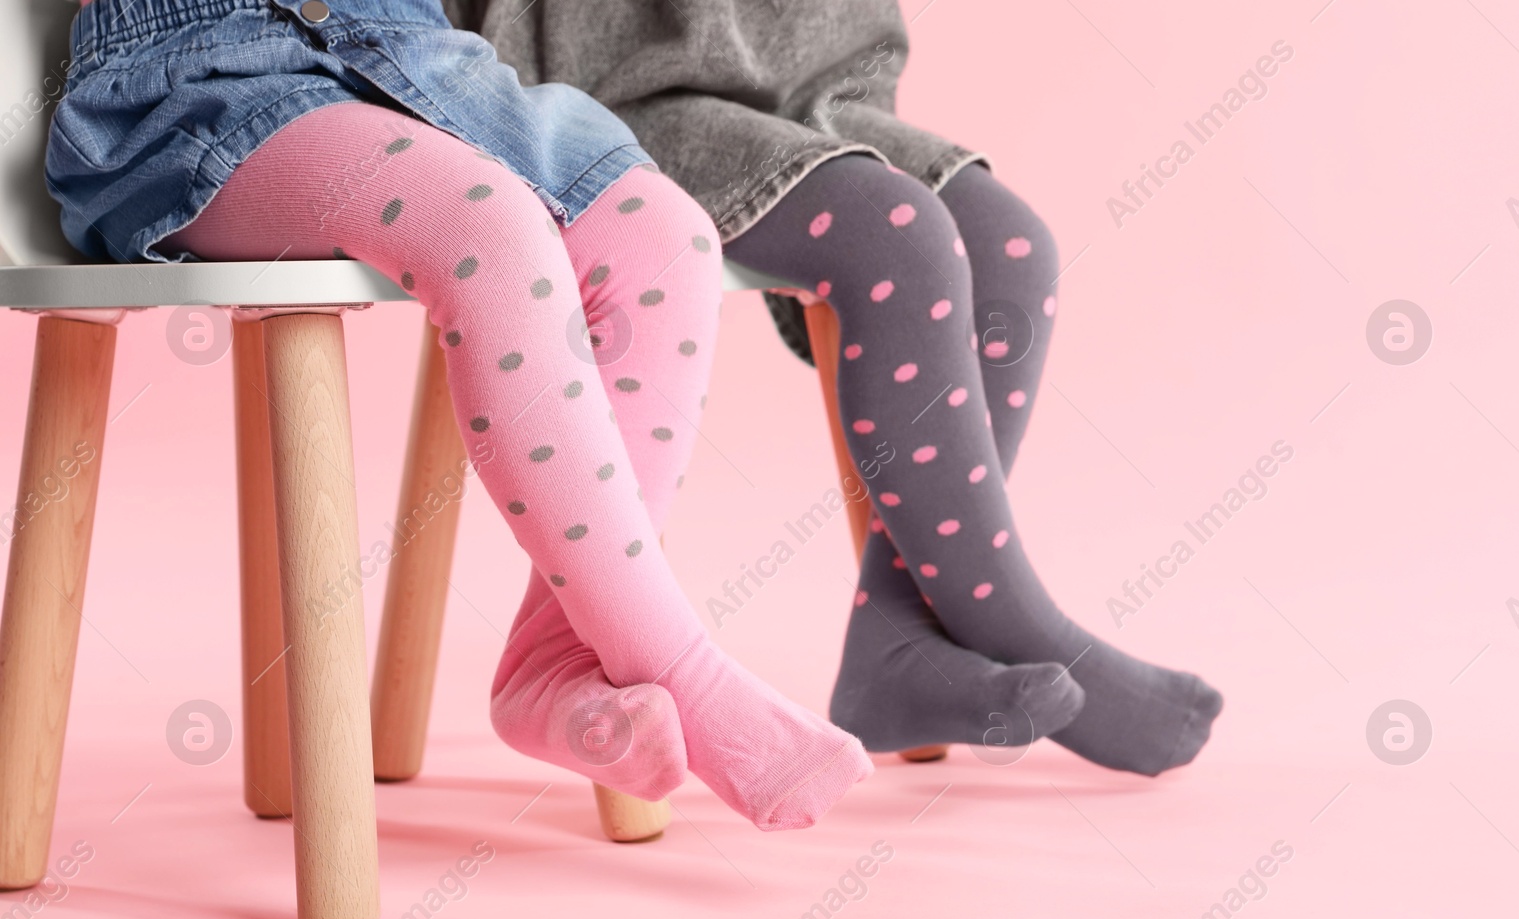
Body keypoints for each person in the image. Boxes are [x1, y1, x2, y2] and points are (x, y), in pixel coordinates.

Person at [47, 0, 872, 828]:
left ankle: (554, 656)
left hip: (410, 60)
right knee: (486, 229)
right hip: (206, 79)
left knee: (665, 237)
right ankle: (679, 663)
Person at [451, 0, 1223, 774]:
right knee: (898, 242)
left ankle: (895, 635)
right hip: (618, 88)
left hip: (811, 69)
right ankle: (1010, 615)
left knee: (1011, 249)